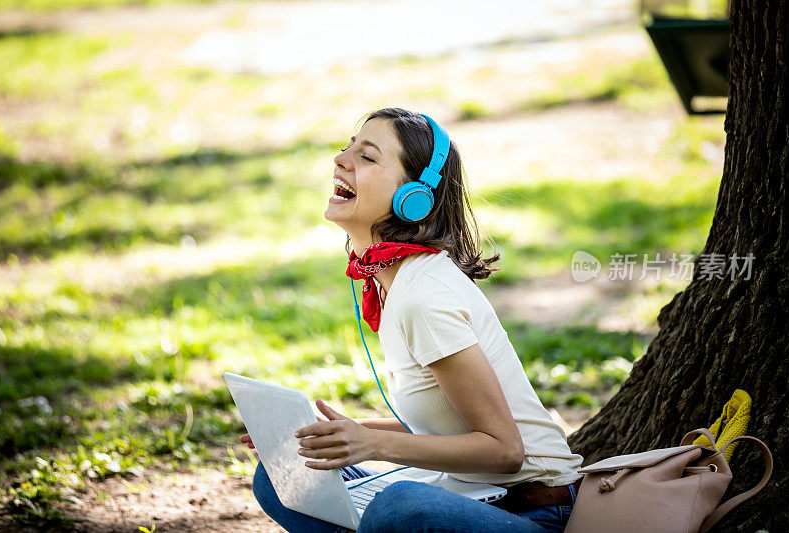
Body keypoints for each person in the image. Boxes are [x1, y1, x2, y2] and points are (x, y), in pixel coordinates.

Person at [240, 107, 584, 532]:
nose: (341, 159)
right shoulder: (391, 282)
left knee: (400, 507)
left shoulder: (425, 294)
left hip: (529, 510)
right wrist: (320, 437)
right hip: (464, 492)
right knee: (282, 478)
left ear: (414, 196)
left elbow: (504, 450)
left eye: (367, 157)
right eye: (349, 147)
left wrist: (371, 444)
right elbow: (440, 420)